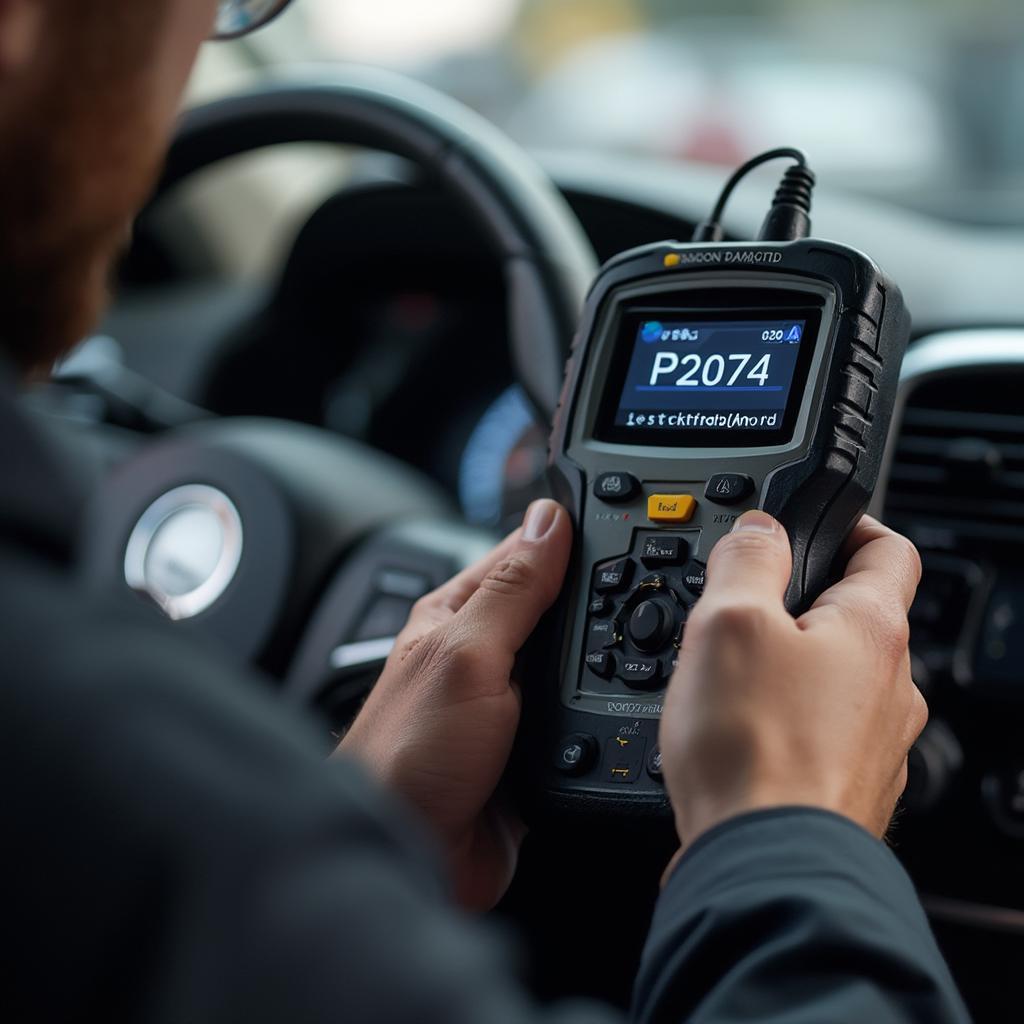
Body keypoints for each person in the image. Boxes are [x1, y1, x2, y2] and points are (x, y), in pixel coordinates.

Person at [1, 2, 971, 1021]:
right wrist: (794, 831)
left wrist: (363, 846)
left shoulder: (143, 829)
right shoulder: (119, 795)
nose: (208, 33)